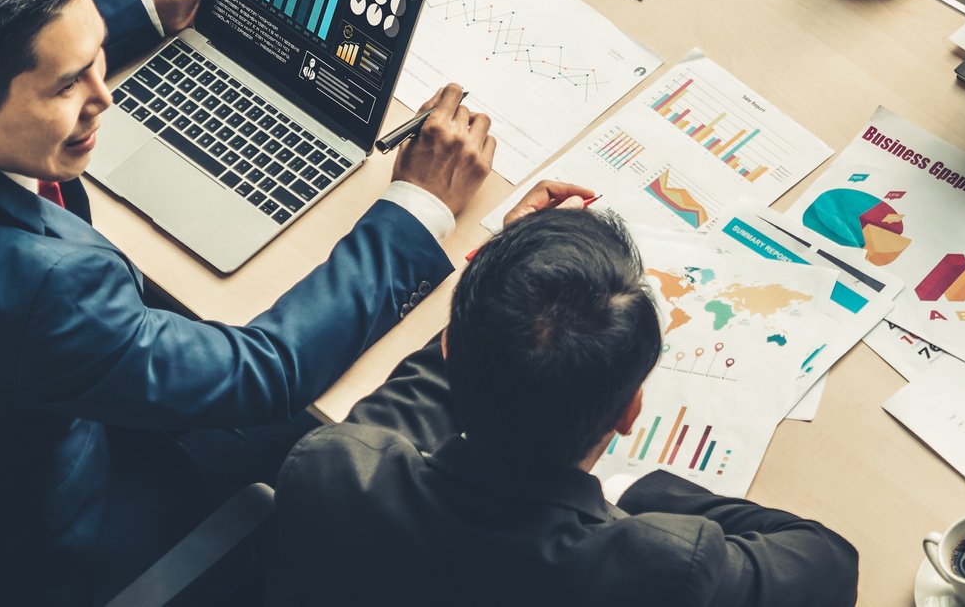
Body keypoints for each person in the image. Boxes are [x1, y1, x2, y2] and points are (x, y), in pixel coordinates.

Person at [0, 0, 497, 605]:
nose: (105, 97)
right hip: (40, 551)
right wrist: (416, 207)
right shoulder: (49, 290)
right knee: (334, 440)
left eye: (95, 57)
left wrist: (146, 8)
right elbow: (266, 372)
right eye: (67, 86)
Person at [265, 208, 859, 607]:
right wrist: (636, 492)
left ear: (449, 350)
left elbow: (406, 409)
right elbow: (828, 562)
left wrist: (504, 282)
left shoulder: (336, 469)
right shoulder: (662, 569)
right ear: (630, 411)